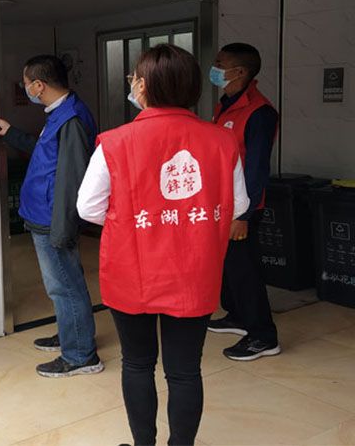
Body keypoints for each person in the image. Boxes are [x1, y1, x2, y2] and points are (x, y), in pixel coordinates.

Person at [77, 44, 250, 446]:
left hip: (131, 270)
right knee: (185, 370)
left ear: (143, 86)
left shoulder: (115, 142)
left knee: (138, 363)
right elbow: (238, 204)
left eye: (134, 79)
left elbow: (88, 208)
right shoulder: (222, 141)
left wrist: (132, 225)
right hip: (195, 271)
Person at [0, 55, 103, 378]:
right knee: (61, 283)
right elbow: (46, 153)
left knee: (64, 285)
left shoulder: (71, 119)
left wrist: (63, 228)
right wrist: (11, 133)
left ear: (39, 85)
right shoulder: (59, 113)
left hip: (53, 219)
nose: (25, 88)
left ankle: (80, 354)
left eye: (26, 83)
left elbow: (72, 179)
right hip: (42, 213)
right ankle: (72, 335)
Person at [207, 43, 281, 361]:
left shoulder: (259, 112)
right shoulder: (226, 105)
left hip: (243, 209)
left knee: (245, 271)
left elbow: (256, 170)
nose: (214, 68)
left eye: (219, 63)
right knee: (228, 267)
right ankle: (237, 315)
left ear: (239, 71)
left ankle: (263, 336)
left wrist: (244, 216)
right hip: (223, 203)